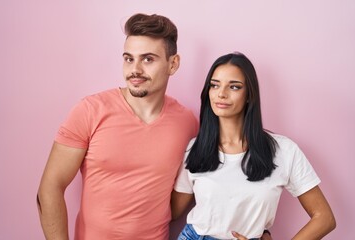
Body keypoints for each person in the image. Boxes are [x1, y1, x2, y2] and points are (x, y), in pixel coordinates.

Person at [36, 13, 199, 240]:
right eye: (129, 59)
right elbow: (49, 189)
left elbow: (193, 189)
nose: (135, 70)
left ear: (173, 64)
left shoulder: (187, 123)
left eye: (148, 59)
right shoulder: (90, 111)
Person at [171, 52, 336, 239]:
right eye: (214, 85)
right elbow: (172, 213)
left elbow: (325, 218)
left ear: (249, 95)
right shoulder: (195, 149)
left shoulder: (284, 151)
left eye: (234, 87)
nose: (221, 94)